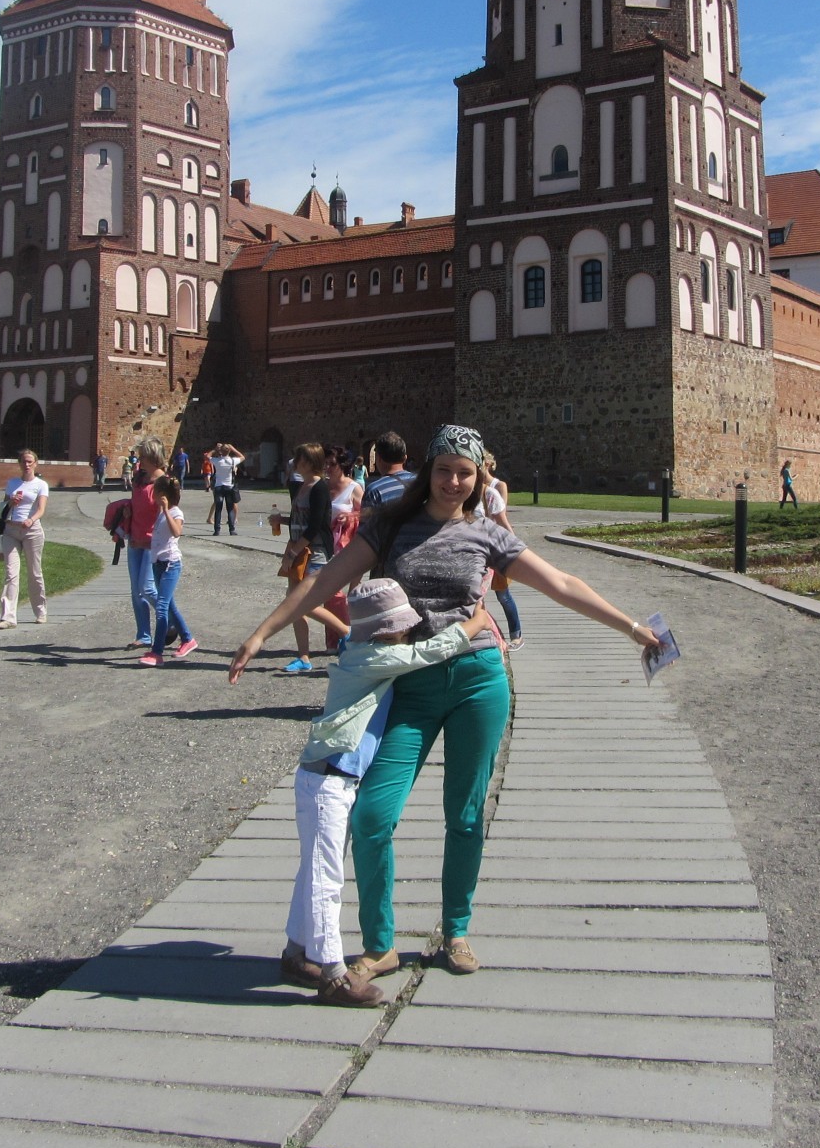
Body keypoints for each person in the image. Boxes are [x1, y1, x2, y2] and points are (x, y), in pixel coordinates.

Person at [230, 424, 663, 982]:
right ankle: (380, 942)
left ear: (479, 476)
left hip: (478, 679)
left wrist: (631, 628)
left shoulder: (489, 535)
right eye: (444, 469)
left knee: (463, 814)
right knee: (371, 816)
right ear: (426, 470)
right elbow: (323, 584)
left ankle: (455, 931)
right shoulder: (389, 527)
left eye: (465, 472)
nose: (453, 481)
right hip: (410, 684)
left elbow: (561, 582)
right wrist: (262, 633)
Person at [278, 579, 497, 1007]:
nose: (409, 632)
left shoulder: (357, 648)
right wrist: (474, 626)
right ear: (385, 634)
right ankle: (332, 973)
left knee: (313, 870)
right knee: (326, 879)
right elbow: (425, 653)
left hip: (329, 779)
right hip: (329, 782)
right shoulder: (376, 656)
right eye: (402, 628)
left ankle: (294, 951)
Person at [270, 443, 349, 674]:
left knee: (300, 602)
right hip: (297, 549)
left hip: (313, 552)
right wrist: (281, 520)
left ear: (310, 461)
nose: (296, 462)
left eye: (300, 458)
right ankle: (303, 657)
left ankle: (345, 631)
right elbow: (300, 518)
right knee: (295, 604)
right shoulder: (301, 486)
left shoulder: (319, 488)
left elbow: (315, 526)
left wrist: (294, 552)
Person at [141, 475, 199, 665]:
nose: (153, 497)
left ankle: (156, 652)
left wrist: (165, 510)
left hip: (170, 565)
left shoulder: (175, 513)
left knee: (162, 606)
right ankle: (188, 639)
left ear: (163, 496)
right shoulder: (161, 513)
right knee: (169, 606)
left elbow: (177, 532)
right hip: (158, 563)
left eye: (155, 494)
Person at [0, 449, 49, 629]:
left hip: (31, 531)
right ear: (19, 464)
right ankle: (8, 617)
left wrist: (31, 519)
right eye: (24, 461)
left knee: (34, 572)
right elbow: (3, 507)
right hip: (11, 530)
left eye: (30, 461)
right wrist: (11, 502)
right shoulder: (12, 484)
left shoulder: (41, 485)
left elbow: (41, 509)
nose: (27, 464)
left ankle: (40, 611)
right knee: (11, 573)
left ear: (35, 464)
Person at [478, 452, 523, 649]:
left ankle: (516, 634)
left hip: (495, 548)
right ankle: (488, 635)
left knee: (503, 595)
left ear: (487, 464)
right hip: (479, 551)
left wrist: (515, 549)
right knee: (477, 597)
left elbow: (502, 517)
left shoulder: (496, 488)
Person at [363, 432, 415, 509]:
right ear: (405, 458)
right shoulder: (421, 482)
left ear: (378, 459)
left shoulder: (374, 491)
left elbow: (367, 520)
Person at [209, 441, 245, 535]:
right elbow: (242, 457)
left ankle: (217, 530)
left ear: (221, 451)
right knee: (230, 509)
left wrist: (215, 449)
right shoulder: (232, 461)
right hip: (229, 486)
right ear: (229, 451)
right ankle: (232, 529)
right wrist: (233, 448)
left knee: (218, 509)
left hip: (218, 487)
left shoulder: (217, 461)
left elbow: (207, 457)